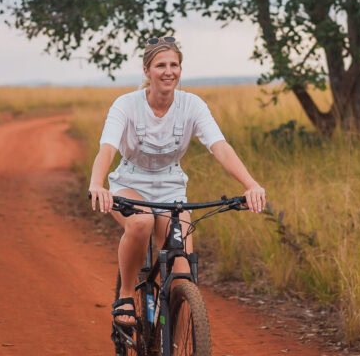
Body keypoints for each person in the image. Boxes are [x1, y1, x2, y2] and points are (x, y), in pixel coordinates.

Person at [88, 37, 266, 329]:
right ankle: (125, 295)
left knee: (182, 273)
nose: (168, 71)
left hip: (171, 187)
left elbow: (219, 146)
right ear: (147, 71)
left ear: (180, 69)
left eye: (174, 65)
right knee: (142, 222)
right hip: (130, 182)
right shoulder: (126, 105)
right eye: (160, 65)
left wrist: (251, 184)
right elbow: (107, 148)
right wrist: (97, 184)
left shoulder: (192, 105)